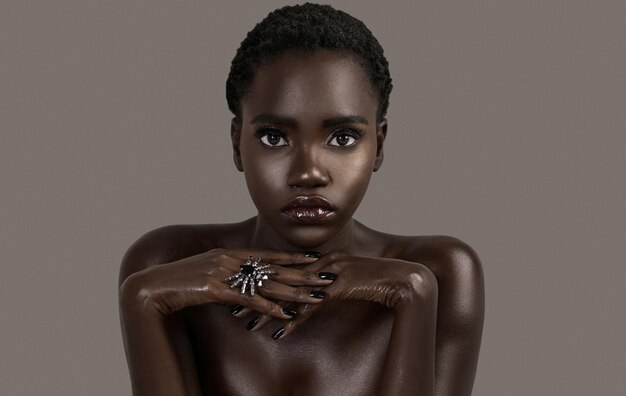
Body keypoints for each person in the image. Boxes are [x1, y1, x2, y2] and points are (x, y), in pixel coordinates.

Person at [118, 3, 484, 396]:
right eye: (274, 137)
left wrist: (412, 292)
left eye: (342, 137)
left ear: (378, 145)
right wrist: (141, 300)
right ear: (237, 145)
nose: (308, 172)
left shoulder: (440, 272)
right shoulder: (168, 265)